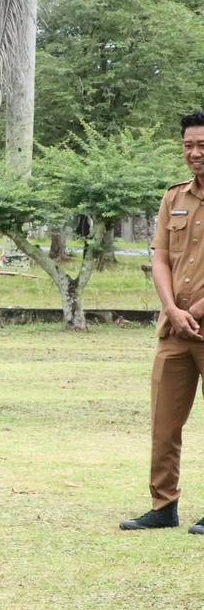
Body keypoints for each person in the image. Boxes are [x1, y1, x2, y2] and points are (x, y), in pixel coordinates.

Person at [122, 110, 204, 534]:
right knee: (164, 421)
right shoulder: (174, 198)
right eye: (189, 145)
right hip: (174, 330)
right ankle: (163, 506)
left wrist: (194, 310)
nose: (195, 153)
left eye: (202, 146)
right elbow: (160, 257)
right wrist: (172, 309)